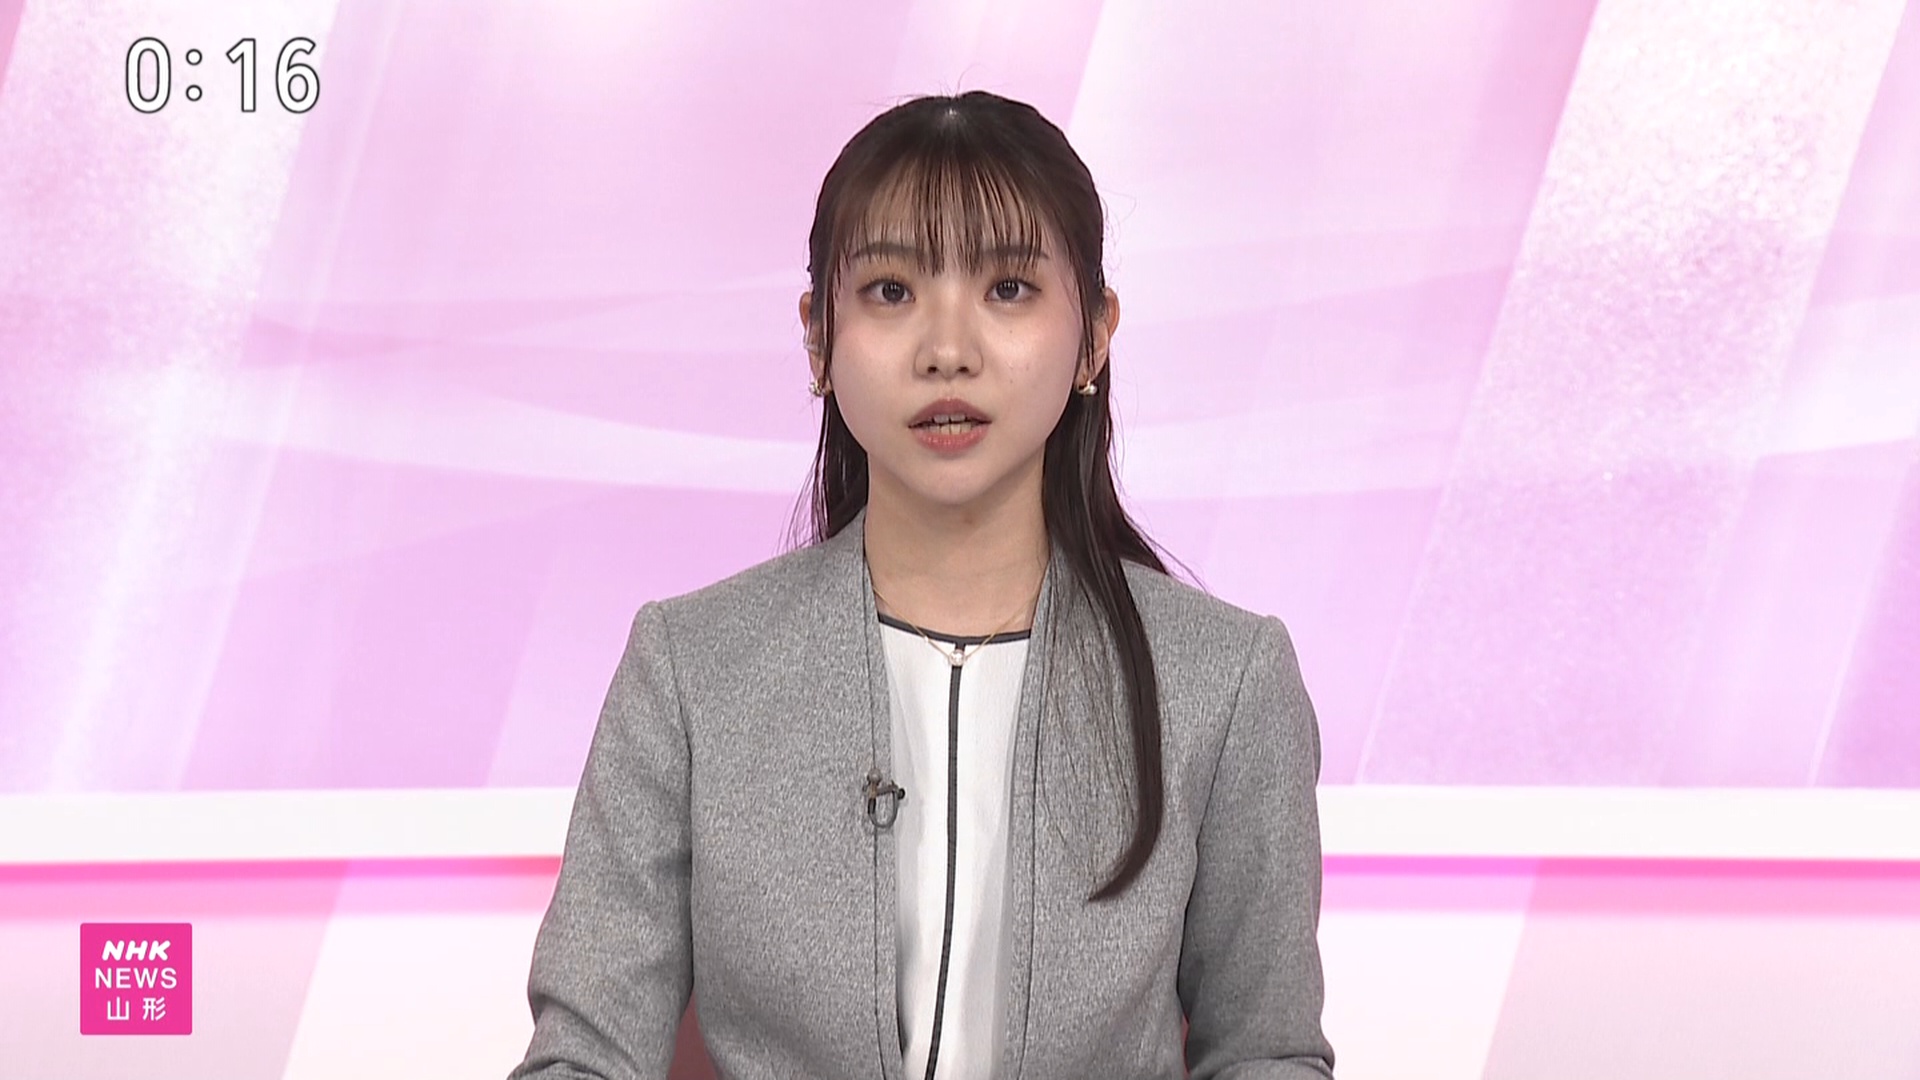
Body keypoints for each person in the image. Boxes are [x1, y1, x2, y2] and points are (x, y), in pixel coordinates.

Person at [508, 90, 1334, 1080]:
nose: (948, 350)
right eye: (892, 290)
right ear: (819, 337)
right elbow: (583, 1056)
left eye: (1009, 289)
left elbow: (1268, 1053)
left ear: (1094, 336)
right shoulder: (690, 670)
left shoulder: (1226, 680)